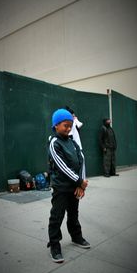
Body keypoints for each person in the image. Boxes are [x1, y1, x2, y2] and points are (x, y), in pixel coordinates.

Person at [47, 108, 90, 263]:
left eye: (70, 125)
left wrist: (81, 184)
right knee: (57, 216)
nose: (69, 128)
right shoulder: (54, 143)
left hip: (74, 187)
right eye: (65, 125)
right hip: (61, 188)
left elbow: (81, 161)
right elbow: (62, 166)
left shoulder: (72, 142)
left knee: (73, 213)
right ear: (56, 125)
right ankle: (54, 245)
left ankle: (76, 237)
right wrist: (79, 181)